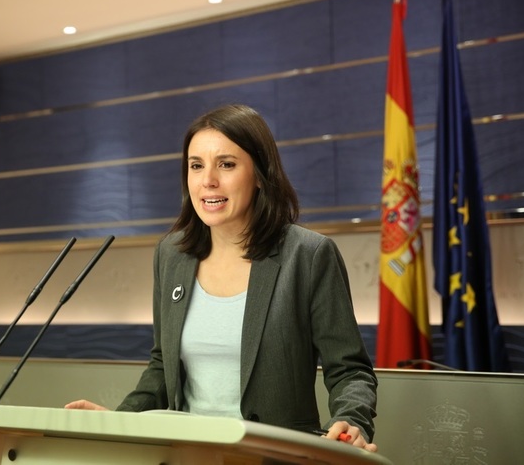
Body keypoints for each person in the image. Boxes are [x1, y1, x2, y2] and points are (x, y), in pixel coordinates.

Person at [66, 104, 378, 452]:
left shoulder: (308, 255)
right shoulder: (171, 254)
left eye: (226, 164)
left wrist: (352, 420)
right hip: (185, 454)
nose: (208, 180)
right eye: (196, 165)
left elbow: (349, 370)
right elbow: (161, 366)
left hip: (274, 459)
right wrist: (120, 422)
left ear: (260, 174)